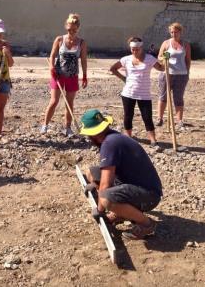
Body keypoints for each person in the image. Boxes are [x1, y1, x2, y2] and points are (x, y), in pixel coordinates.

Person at [80, 109, 163, 240]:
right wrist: (95, 183)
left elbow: (106, 184)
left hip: (149, 195)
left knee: (106, 198)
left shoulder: (109, 144)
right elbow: (108, 172)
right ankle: (122, 211)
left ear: (93, 134)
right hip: (132, 184)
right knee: (92, 172)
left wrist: (100, 210)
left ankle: (146, 224)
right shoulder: (111, 137)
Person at [109, 37, 163, 146]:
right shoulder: (126, 59)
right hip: (128, 93)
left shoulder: (149, 59)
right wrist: (123, 78)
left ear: (141, 47)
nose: (134, 51)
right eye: (132, 49)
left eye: (137, 49)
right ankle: (128, 137)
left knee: (147, 117)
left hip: (144, 94)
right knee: (128, 115)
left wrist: (166, 59)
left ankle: (153, 139)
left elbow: (161, 68)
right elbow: (113, 68)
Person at [41, 13, 88, 136]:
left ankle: (67, 128)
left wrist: (85, 76)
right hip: (58, 75)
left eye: (74, 29)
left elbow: (83, 60)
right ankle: (45, 125)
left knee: (69, 103)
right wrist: (51, 67)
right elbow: (52, 56)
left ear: (78, 28)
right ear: (65, 27)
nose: (71, 31)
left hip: (72, 76)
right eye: (69, 29)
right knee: (54, 101)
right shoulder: (59, 39)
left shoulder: (82, 43)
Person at [156, 22, 191, 129]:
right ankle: (159, 118)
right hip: (167, 74)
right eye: (171, 32)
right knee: (163, 96)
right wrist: (164, 59)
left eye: (175, 32)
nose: (173, 34)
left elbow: (188, 60)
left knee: (178, 98)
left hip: (181, 75)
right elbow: (160, 57)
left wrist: (187, 73)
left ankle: (179, 120)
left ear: (180, 32)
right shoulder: (166, 43)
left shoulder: (185, 45)